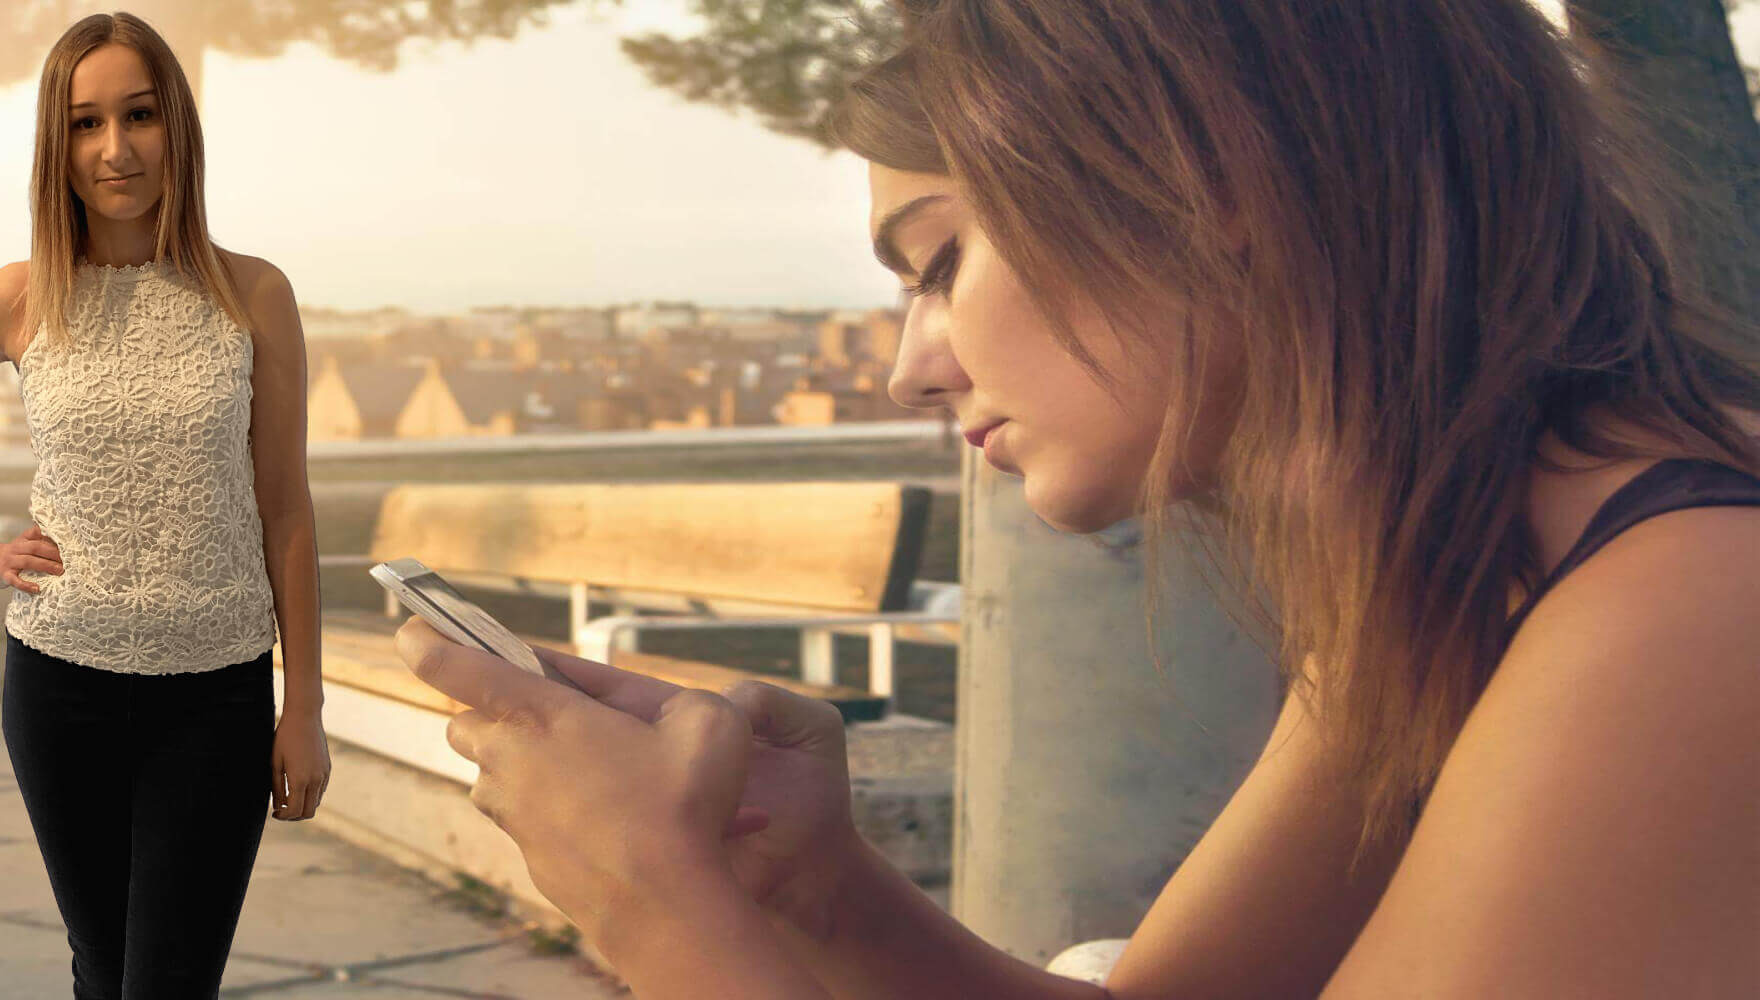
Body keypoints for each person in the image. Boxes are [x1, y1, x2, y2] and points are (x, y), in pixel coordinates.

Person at [389, 1, 1760, 997]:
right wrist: (822, 892)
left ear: (1208, 184)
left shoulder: (1693, 616)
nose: (916, 367)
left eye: (938, 262)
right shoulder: (1451, 573)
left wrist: (663, 912)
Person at [0, 12, 331, 998]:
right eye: (85, 123)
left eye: (140, 114)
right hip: (58, 686)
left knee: (165, 983)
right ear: (56, 145)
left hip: (214, 695)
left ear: (177, 127)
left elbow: (285, 509)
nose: (115, 148)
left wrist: (305, 709)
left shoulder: (254, 294)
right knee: (104, 969)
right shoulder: (21, 296)